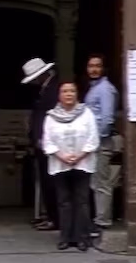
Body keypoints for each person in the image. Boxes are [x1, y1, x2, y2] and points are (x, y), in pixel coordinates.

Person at [41, 83, 100, 252]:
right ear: (59, 95)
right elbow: (47, 141)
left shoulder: (86, 113)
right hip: (60, 164)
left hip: (83, 163)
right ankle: (65, 237)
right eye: (65, 91)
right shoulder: (51, 117)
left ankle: (82, 238)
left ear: (77, 94)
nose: (69, 94)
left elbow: (93, 138)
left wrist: (80, 155)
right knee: (64, 202)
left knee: (82, 201)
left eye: (72, 91)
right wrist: (62, 156)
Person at [23, 58, 62, 232]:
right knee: (46, 181)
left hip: (48, 143)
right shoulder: (45, 89)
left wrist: (42, 137)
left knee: (50, 181)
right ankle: (50, 215)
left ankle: (55, 219)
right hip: (42, 142)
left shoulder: (53, 90)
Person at [83, 55, 120, 231]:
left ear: (104, 68)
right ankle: (99, 218)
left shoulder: (105, 89)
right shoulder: (94, 88)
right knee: (96, 182)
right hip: (93, 141)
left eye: (98, 66)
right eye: (91, 66)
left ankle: (103, 221)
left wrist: (96, 139)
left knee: (102, 183)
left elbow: (106, 118)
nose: (94, 69)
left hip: (100, 142)